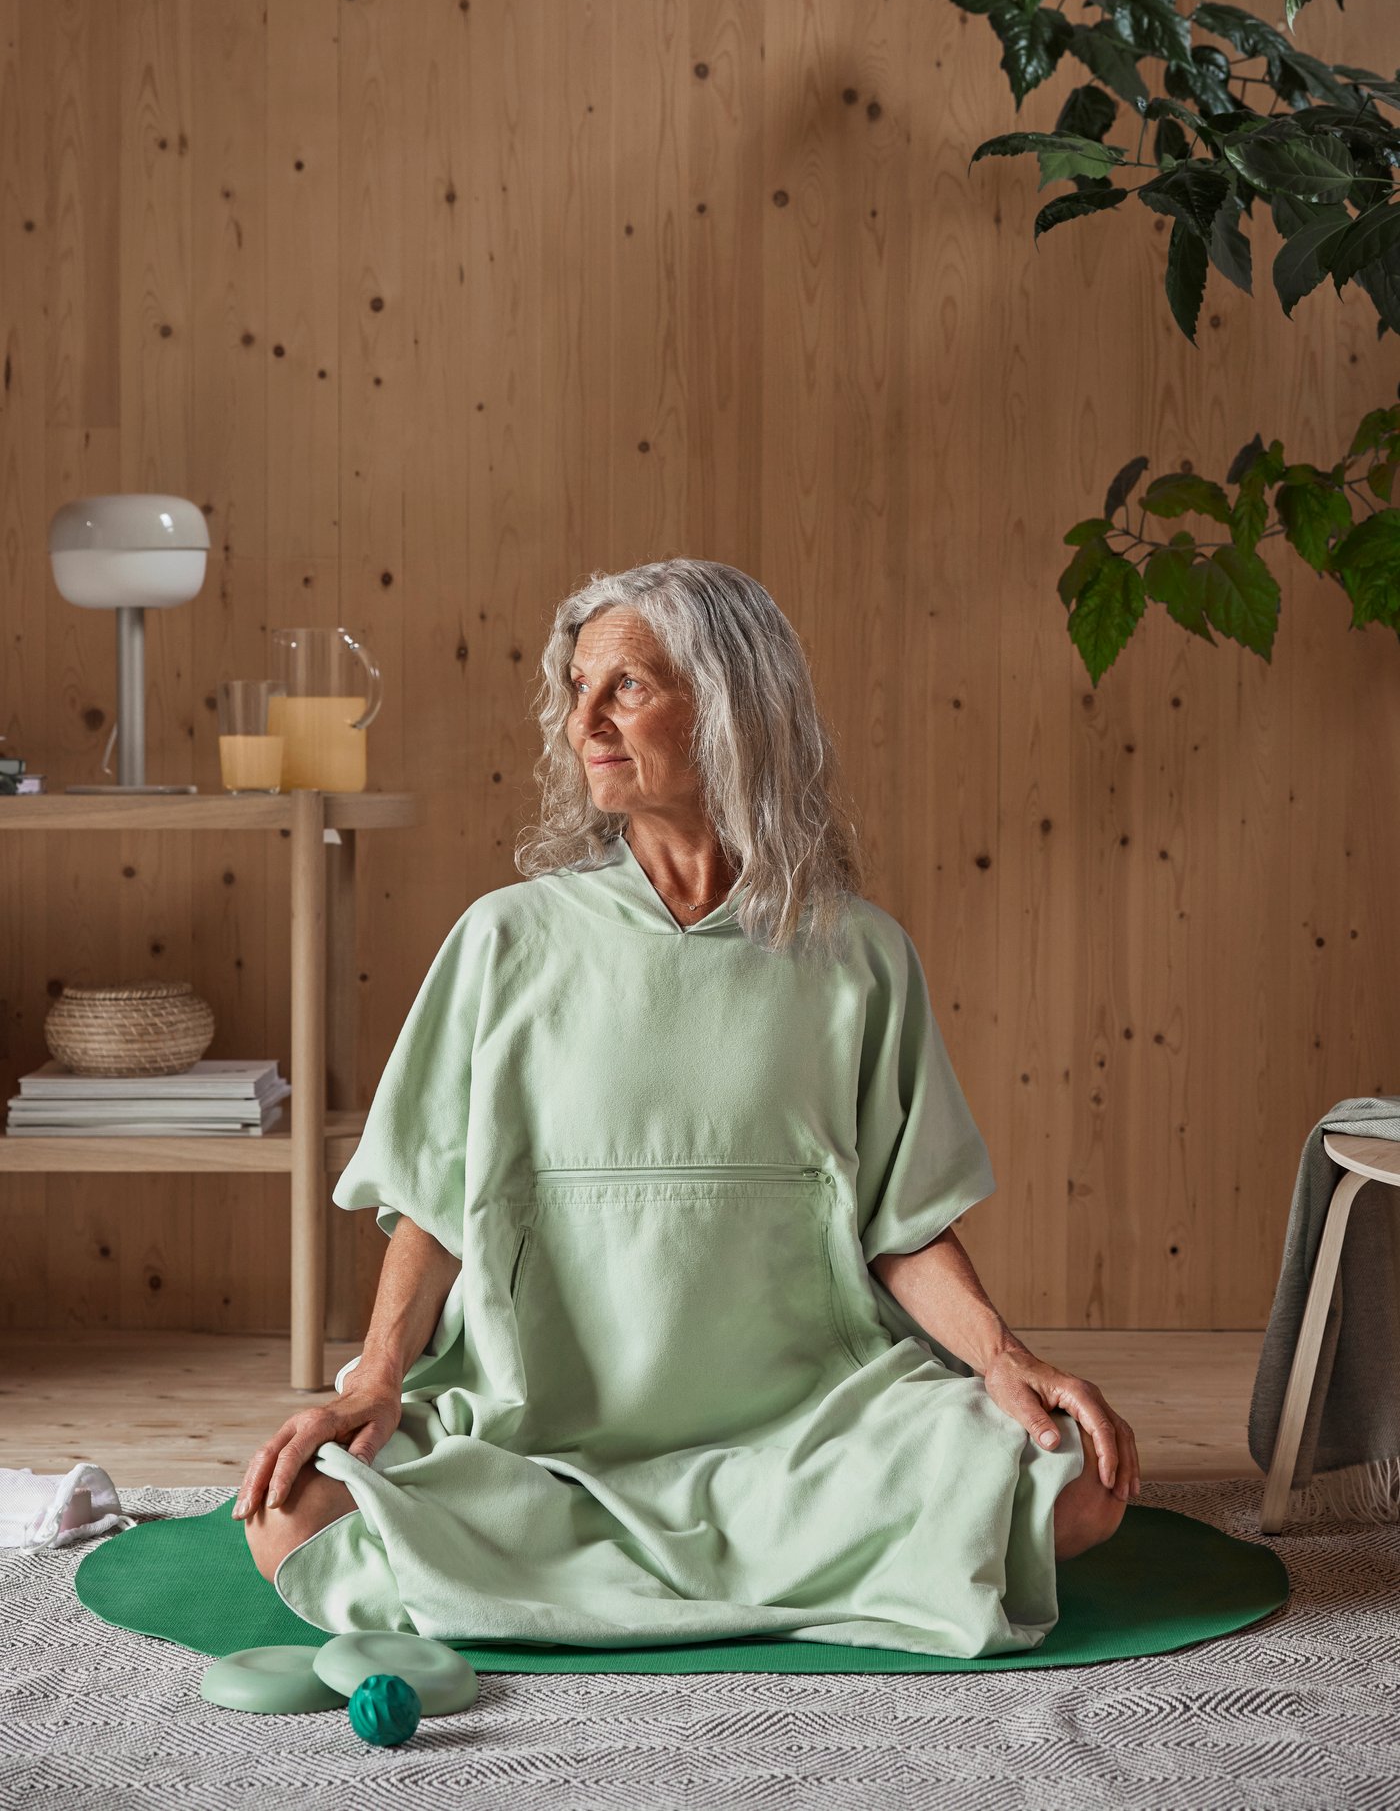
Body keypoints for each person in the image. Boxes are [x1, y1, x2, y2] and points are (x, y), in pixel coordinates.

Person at [234, 558, 1139, 1658]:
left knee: (1079, 1484)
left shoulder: (854, 955)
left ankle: (578, 1591)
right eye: (577, 690)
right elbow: (431, 1204)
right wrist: (372, 1381)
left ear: (728, 706)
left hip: (807, 1433)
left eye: (626, 687)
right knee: (294, 1521)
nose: (586, 723)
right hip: (540, 1437)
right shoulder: (503, 941)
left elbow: (902, 1227)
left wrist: (1003, 1358)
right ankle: (785, 1583)